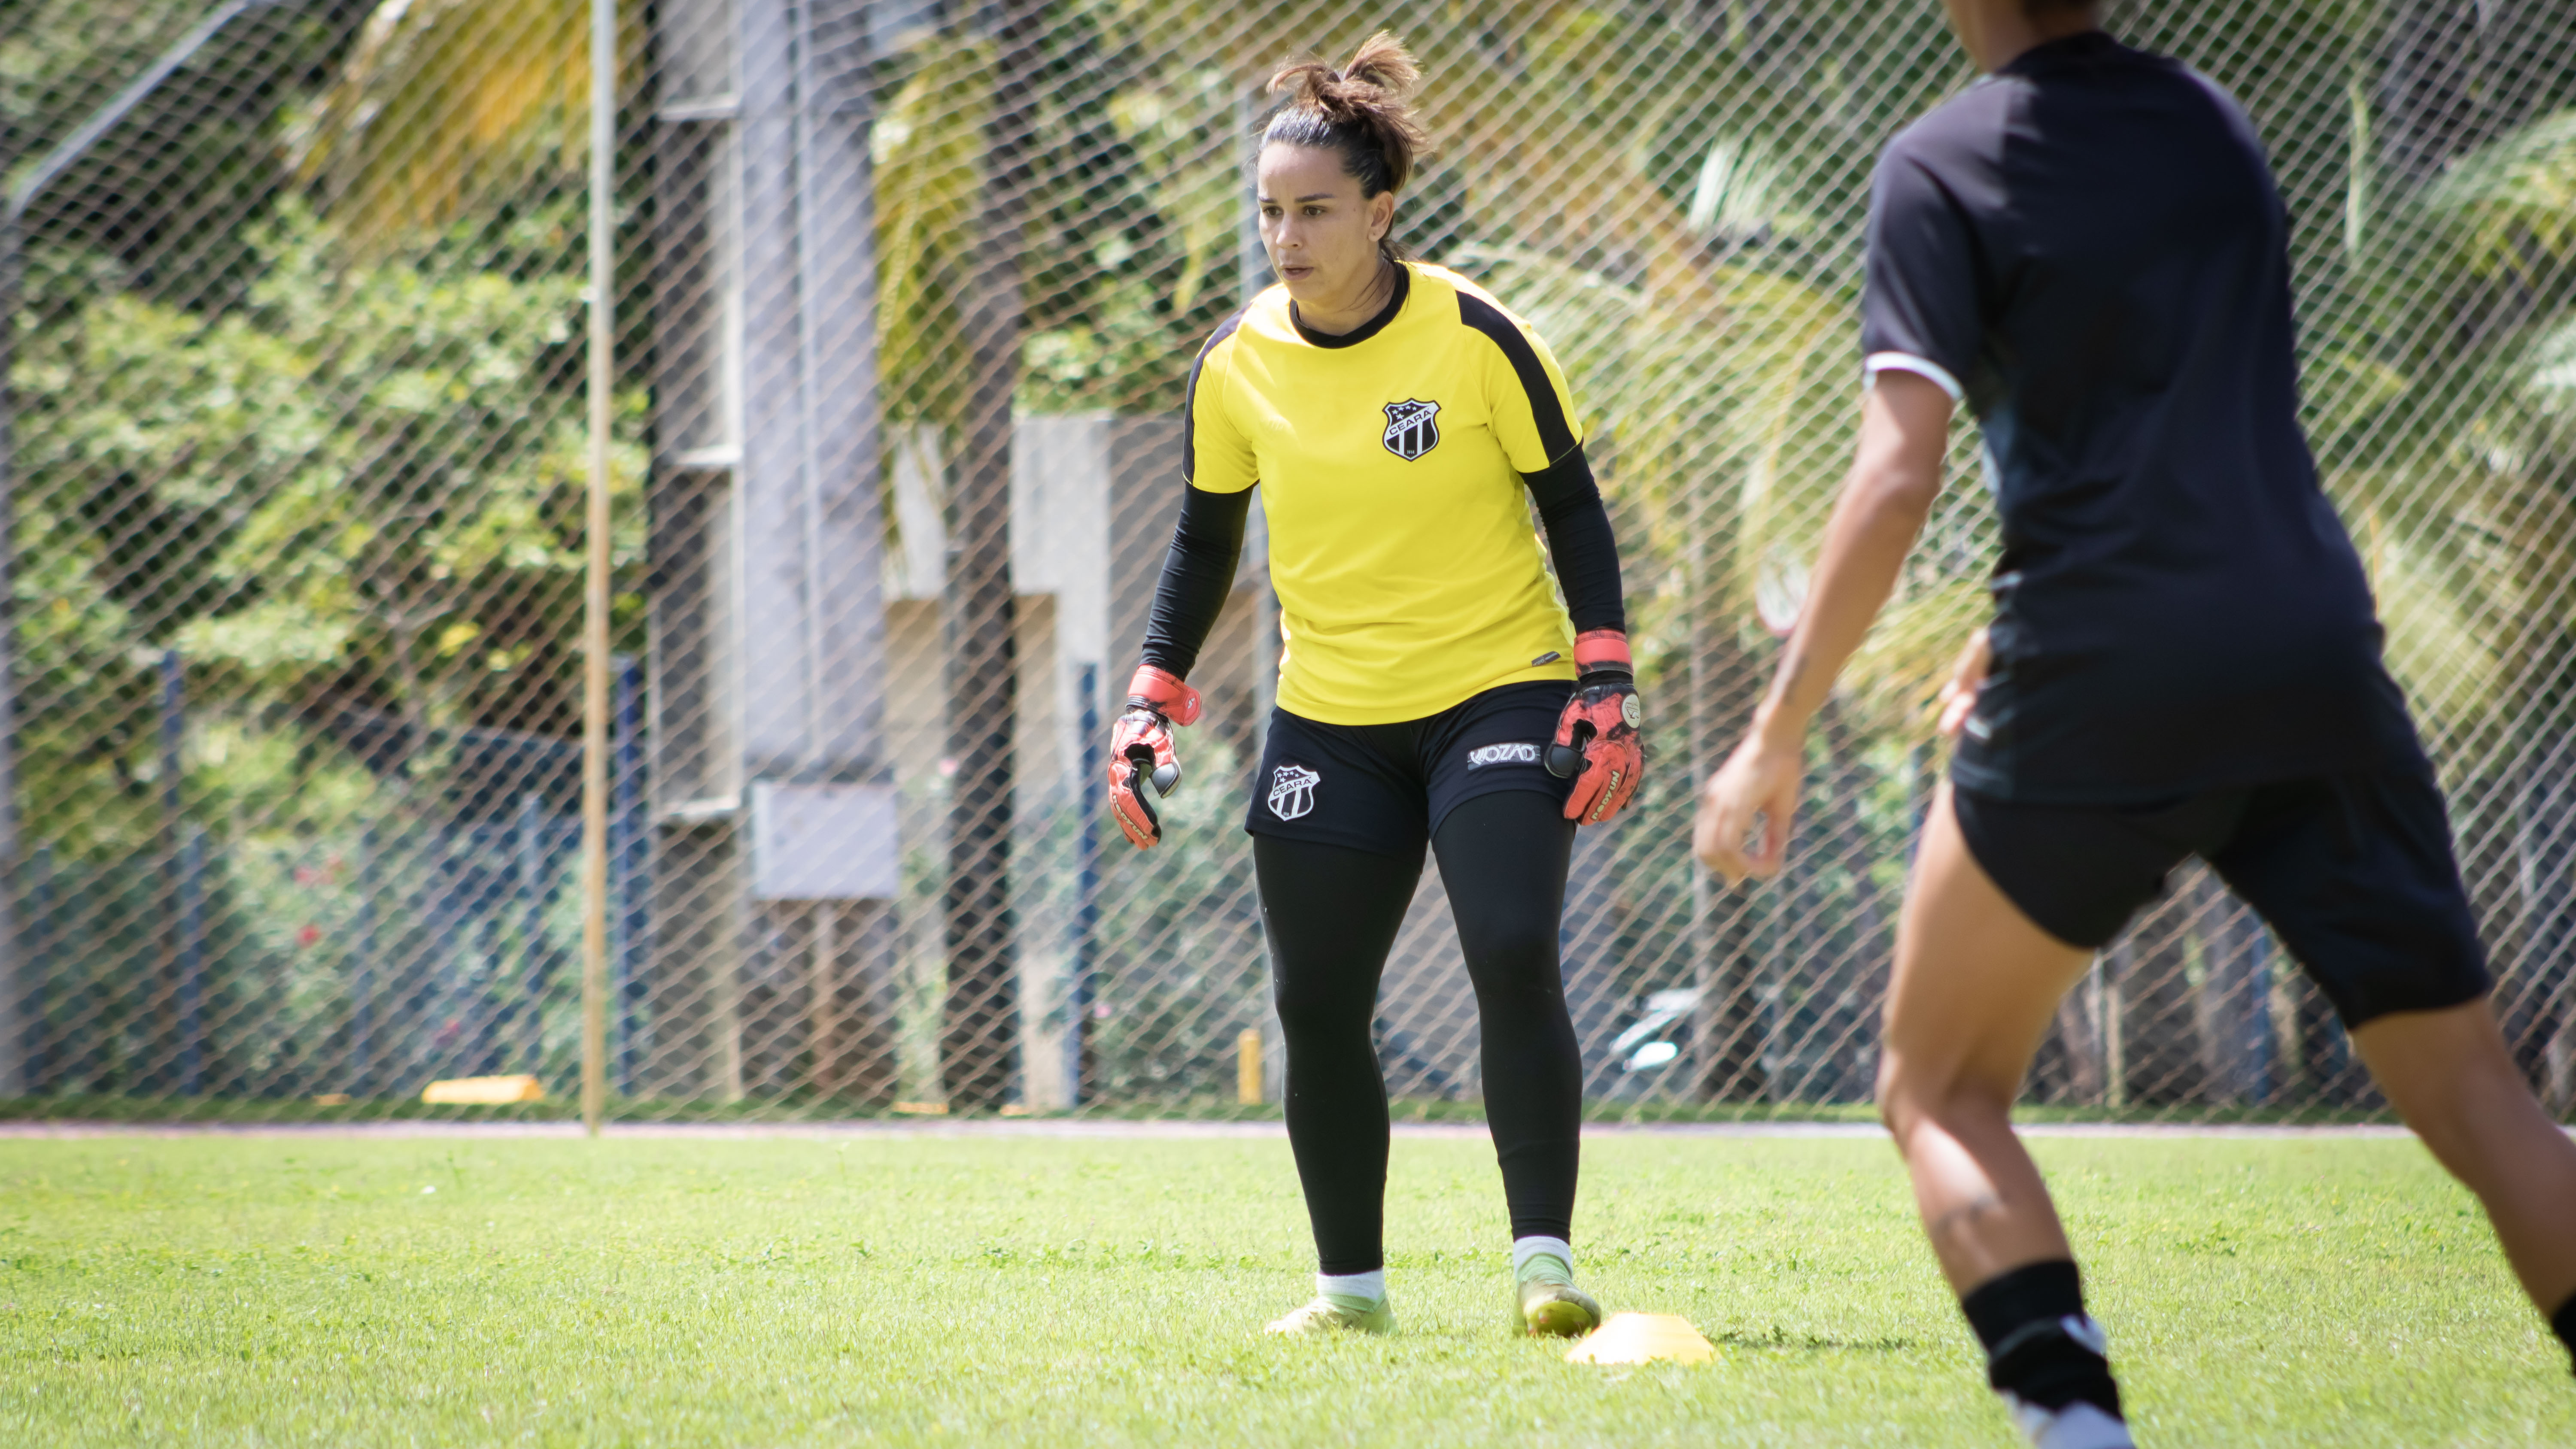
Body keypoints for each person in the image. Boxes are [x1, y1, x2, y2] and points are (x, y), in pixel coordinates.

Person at [1692, 2, 2576, 1445]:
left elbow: (1897, 477)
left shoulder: (1940, 165)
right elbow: (2195, 427)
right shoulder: (2210, 125)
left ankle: (2076, 1425)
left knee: (1939, 1089)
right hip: (2306, 646)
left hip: (2098, 668)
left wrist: (1776, 729)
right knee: (2484, 1104)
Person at [1103, 32, 1644, 1339]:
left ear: (1381, 212)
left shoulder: (1479, 336)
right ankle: (1351, 1294)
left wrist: (1607, 680)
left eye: (1315, 212)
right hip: (1333, 717)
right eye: (1269, 212)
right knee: (1315, 1001)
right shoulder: (1236, 362)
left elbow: (1572, 507)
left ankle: (1544, 1268)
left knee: (1509, 946)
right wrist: (1150, 694)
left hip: (1498, 690)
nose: (1285, 238)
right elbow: (1204, 542)